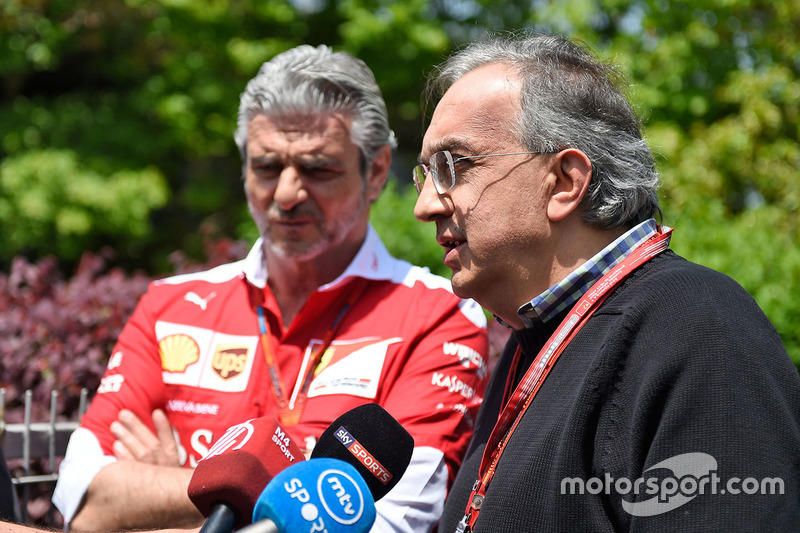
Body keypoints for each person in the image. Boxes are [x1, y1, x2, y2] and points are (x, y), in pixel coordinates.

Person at [53, 44, 489, 532]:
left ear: (378, 171)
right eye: (266, 167)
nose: (286, 193)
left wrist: (176, 485)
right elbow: (87, 509)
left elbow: (386, 526)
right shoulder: (169, 305)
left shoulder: (441, 314)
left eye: (317, 168)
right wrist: (295, 491)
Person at [412, 32, 800, 532]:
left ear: (566, 181)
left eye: (455, 166)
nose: (425, 207)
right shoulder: (535, 340)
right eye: (426, 174)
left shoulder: (699, 327)